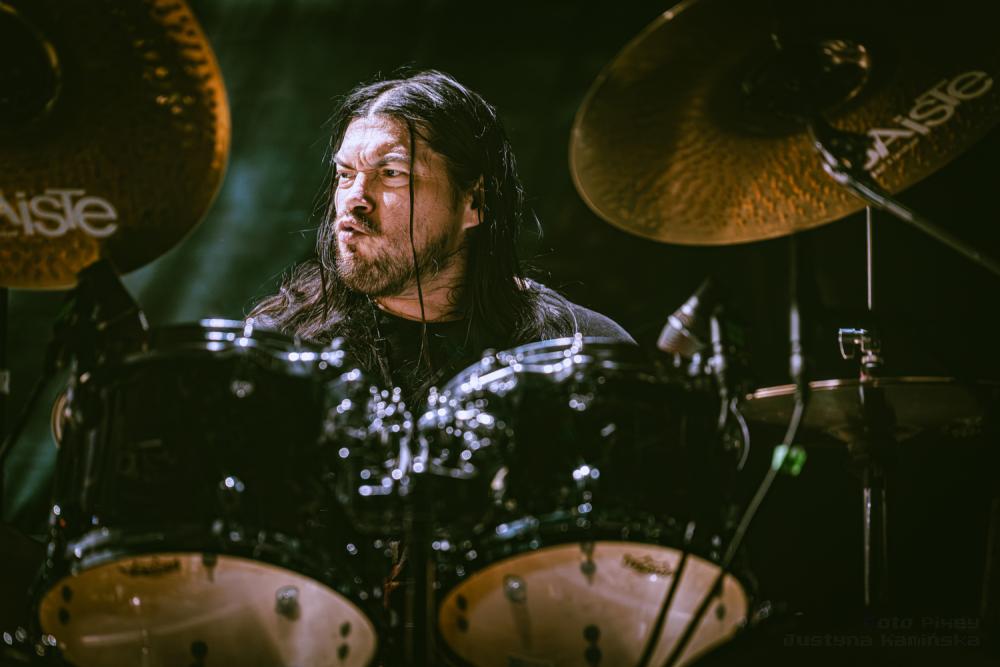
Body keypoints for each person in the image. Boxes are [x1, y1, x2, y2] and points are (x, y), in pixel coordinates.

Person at [250, 69, 633, 406]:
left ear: (473, 202)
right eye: (346, 175)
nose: (354, 198)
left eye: (392, 174)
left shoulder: (576, 353)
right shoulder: (281, 346)